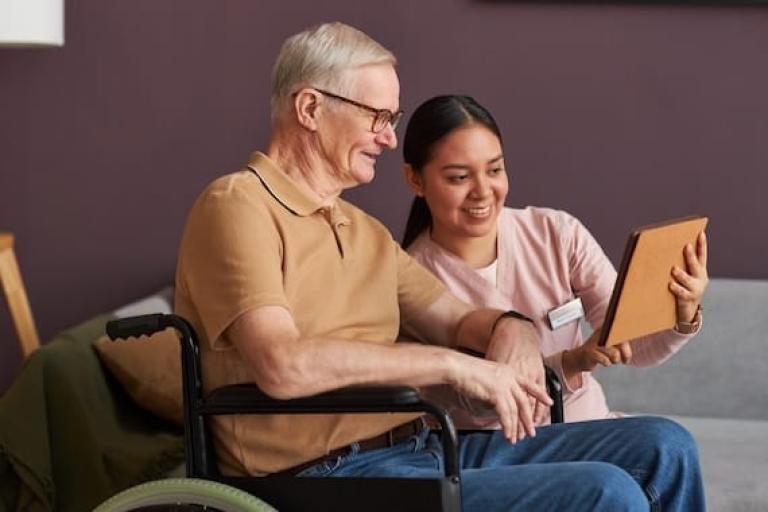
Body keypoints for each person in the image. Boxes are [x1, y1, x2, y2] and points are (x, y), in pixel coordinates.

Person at [174, 22, 705, 511]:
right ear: (310, 108)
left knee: (664, 444)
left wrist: (512, 331)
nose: (387, 136)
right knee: (605, 491)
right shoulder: (238, 205)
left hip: (417, 450)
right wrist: (456, 366)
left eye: (392, 120)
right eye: (377, 117)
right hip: (322, 476)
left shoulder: (365, 233)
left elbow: (458, 319)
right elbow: (282, 365)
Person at [400, 94, 709, 428]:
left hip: (590, 428)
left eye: (495, 170)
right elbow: (476, 397)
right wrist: (572, 362)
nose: (482, 190)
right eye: (459, 177)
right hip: (497, 453)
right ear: (416, 179)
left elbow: (634, 346)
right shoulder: (410, 280)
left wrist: (683, 314)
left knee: (668, 438)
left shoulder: (556, 233)